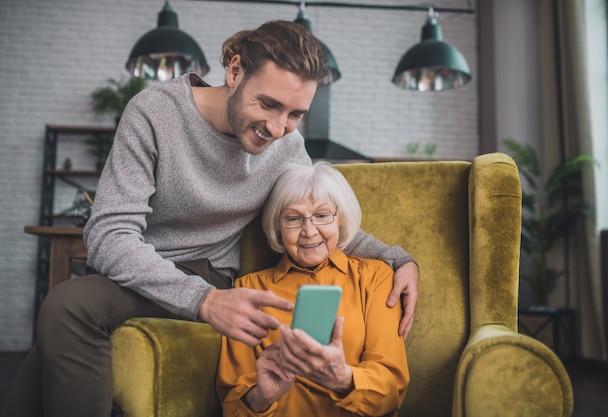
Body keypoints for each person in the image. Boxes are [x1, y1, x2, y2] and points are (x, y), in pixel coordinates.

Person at [1, 20, 418, 417]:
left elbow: (319, 215)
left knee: (65, 308)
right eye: (268, 104)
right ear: (235, 70)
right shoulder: (155, 113)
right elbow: (109, 235)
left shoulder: (288, 145)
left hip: (210, 272)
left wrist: (398, 259)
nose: (277, 128)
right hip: (146, 270)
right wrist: (203, 301)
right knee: (63, 319)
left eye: (295, 114)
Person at [217, 162, 410, 416]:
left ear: (339, 219)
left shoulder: (376, 278)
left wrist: (342, 378)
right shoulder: (247, 290)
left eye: (321, 216)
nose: (309, 231)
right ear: (277, 226)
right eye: (293, 219)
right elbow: (232, 404)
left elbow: (392, 389)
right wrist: (261, 396)